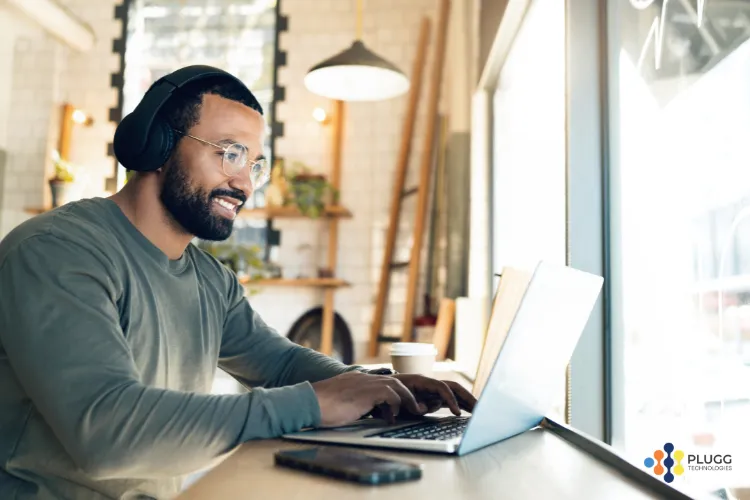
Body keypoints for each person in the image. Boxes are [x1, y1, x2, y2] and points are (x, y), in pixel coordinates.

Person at [0, 65, 476, 500]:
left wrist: (378, 387)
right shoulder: (56, 252)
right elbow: (106, 434)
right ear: (157, 145)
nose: (245, 184)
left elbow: (281, 362)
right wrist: (313, 403)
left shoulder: (209, 279)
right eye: (231, 154)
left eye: (254, 165)